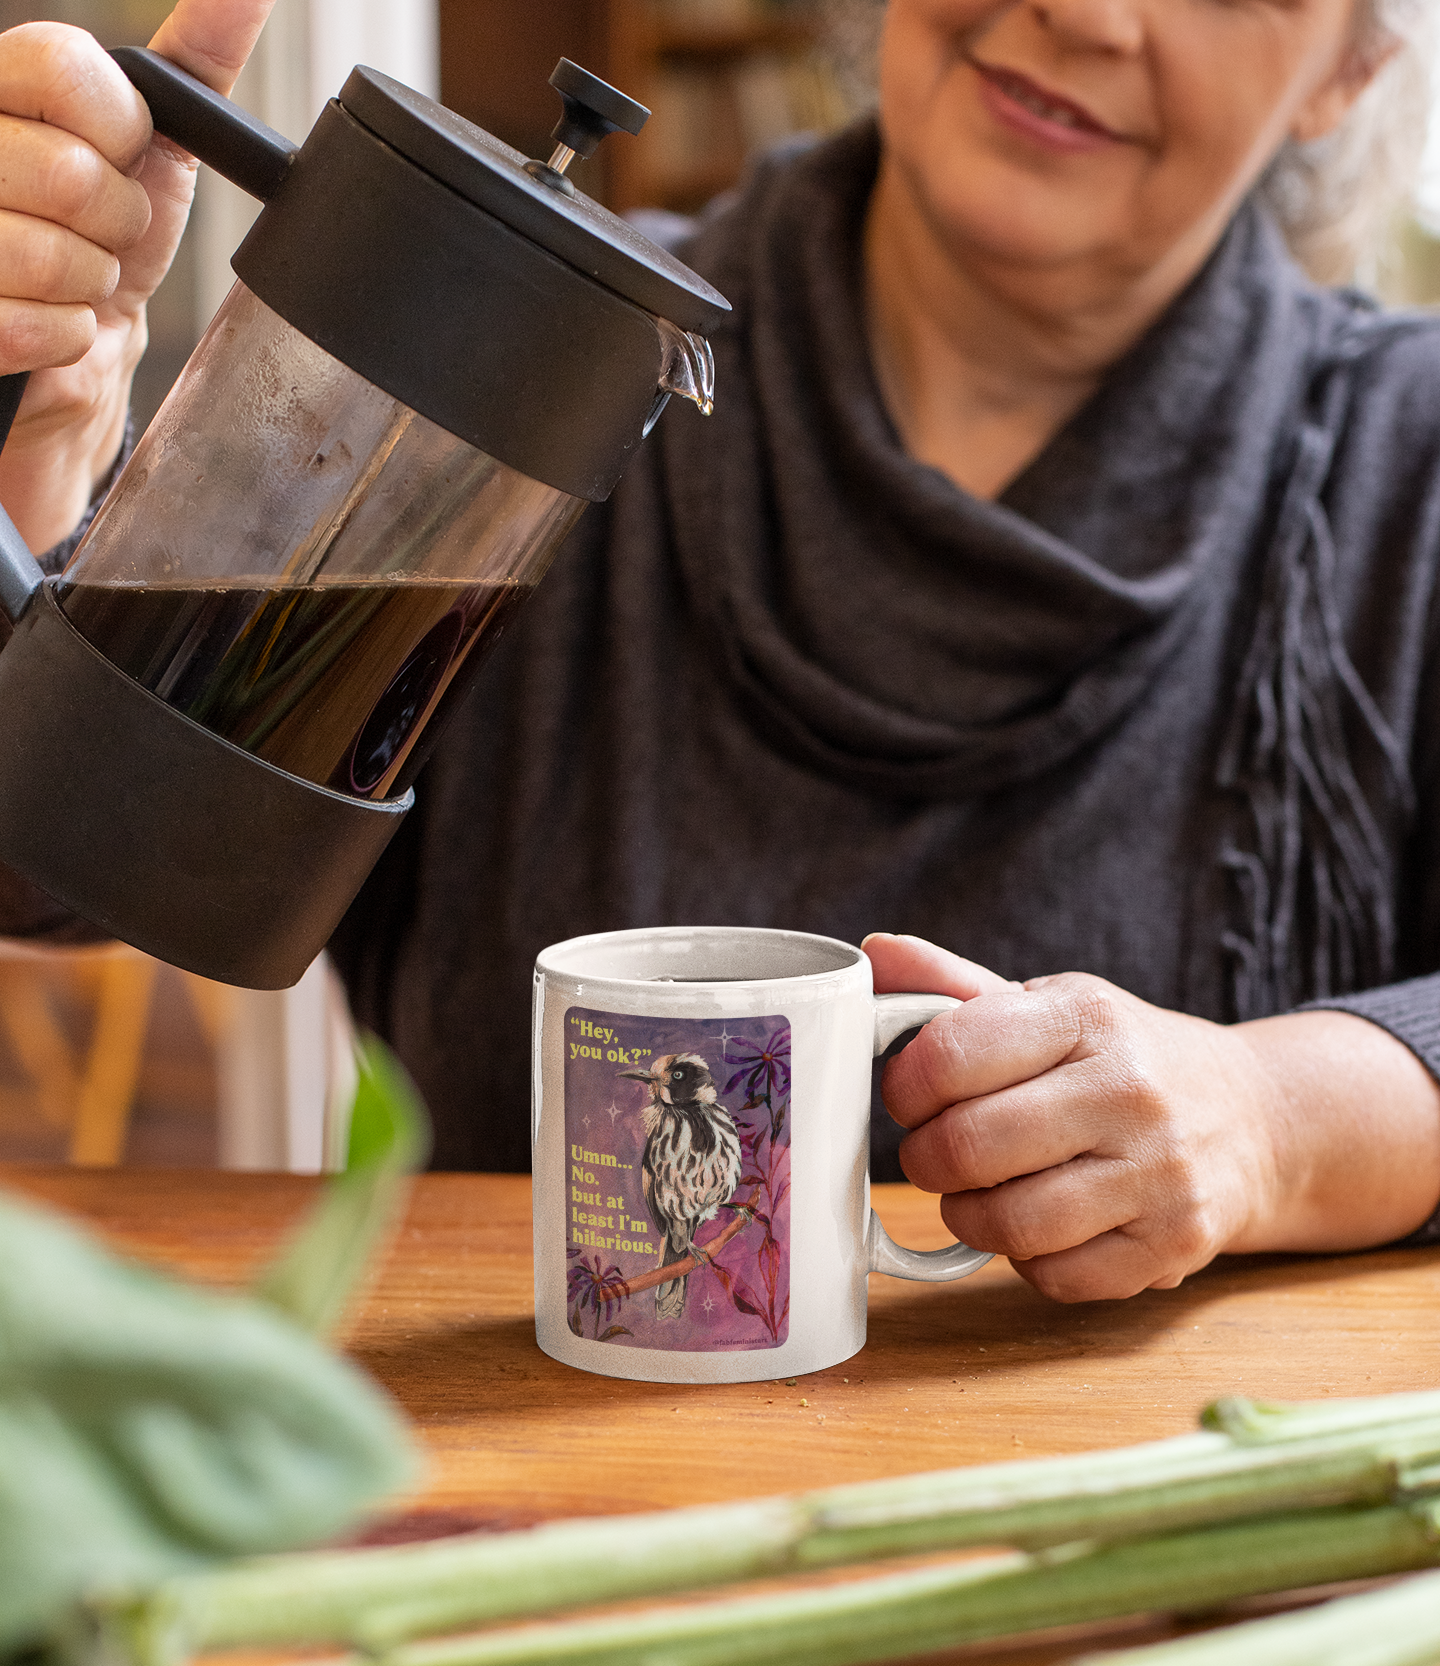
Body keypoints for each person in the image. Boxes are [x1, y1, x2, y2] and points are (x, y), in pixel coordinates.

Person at [1, 0, 1438, 1304]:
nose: (1082, 11)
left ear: (1352, 69)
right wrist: (41, 469)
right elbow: (57, 847)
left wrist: (1274, 1118)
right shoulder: (535, 364)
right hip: (522, 1495)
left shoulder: (1406, 469)